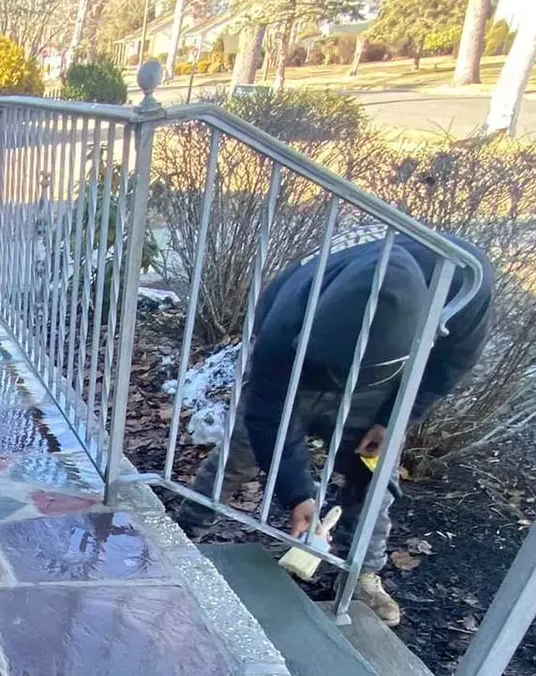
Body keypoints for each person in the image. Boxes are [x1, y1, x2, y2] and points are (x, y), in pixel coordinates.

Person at [189, 232, 494, 627]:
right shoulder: (288, 313)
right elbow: (267, 414)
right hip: (299, 369)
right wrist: (298, 495)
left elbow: (449, 367)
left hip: (381, 389)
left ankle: (362, 573)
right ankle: (185, 528)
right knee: (242, 449)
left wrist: (393, 417)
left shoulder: (463, 285)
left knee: (372, 471)